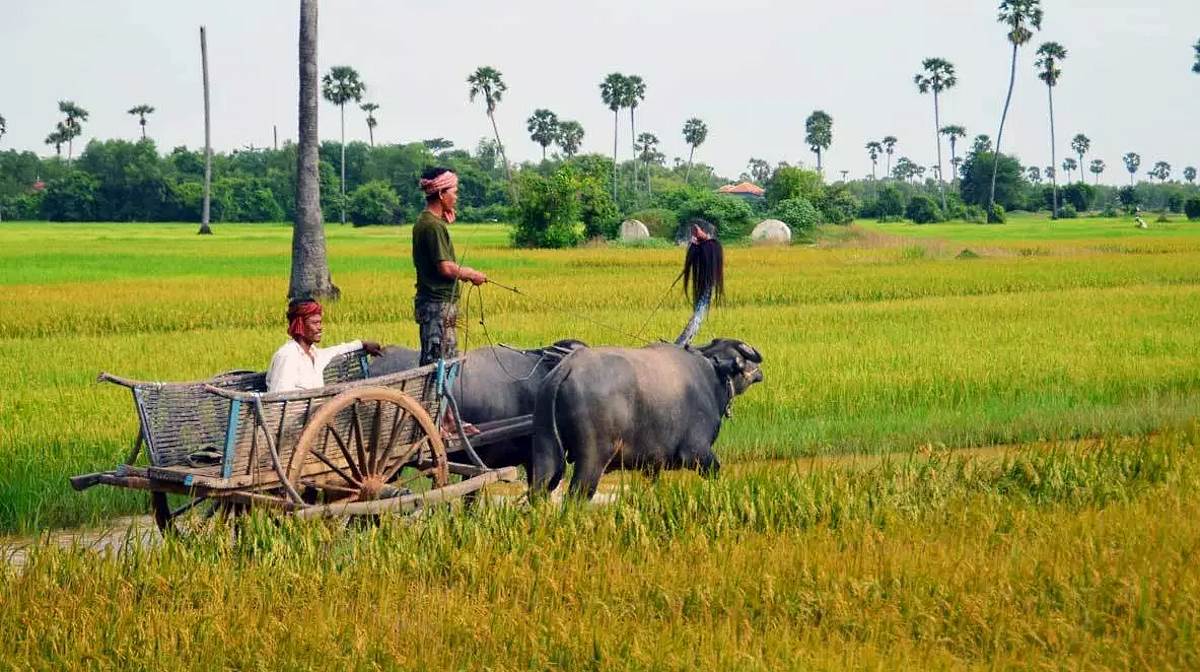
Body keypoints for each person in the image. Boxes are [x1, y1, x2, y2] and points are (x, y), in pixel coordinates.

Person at [412, 167, 486, 366]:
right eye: (454, 192)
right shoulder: (433, 226)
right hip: (437, 307)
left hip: (436, 306)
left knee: (442, 361)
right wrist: (471, 274)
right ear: (440, 194)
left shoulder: (428, 222)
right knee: (440, 365)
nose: (456, 197)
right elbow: (445, 267)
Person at [265, 299, 383, 393]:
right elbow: (278, 397)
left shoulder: (314, 354)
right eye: (314, 323)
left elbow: (337, 350)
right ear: (299, 325)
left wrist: (362, 344)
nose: (320, 327)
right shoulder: (287, 356)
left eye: (320, 322)